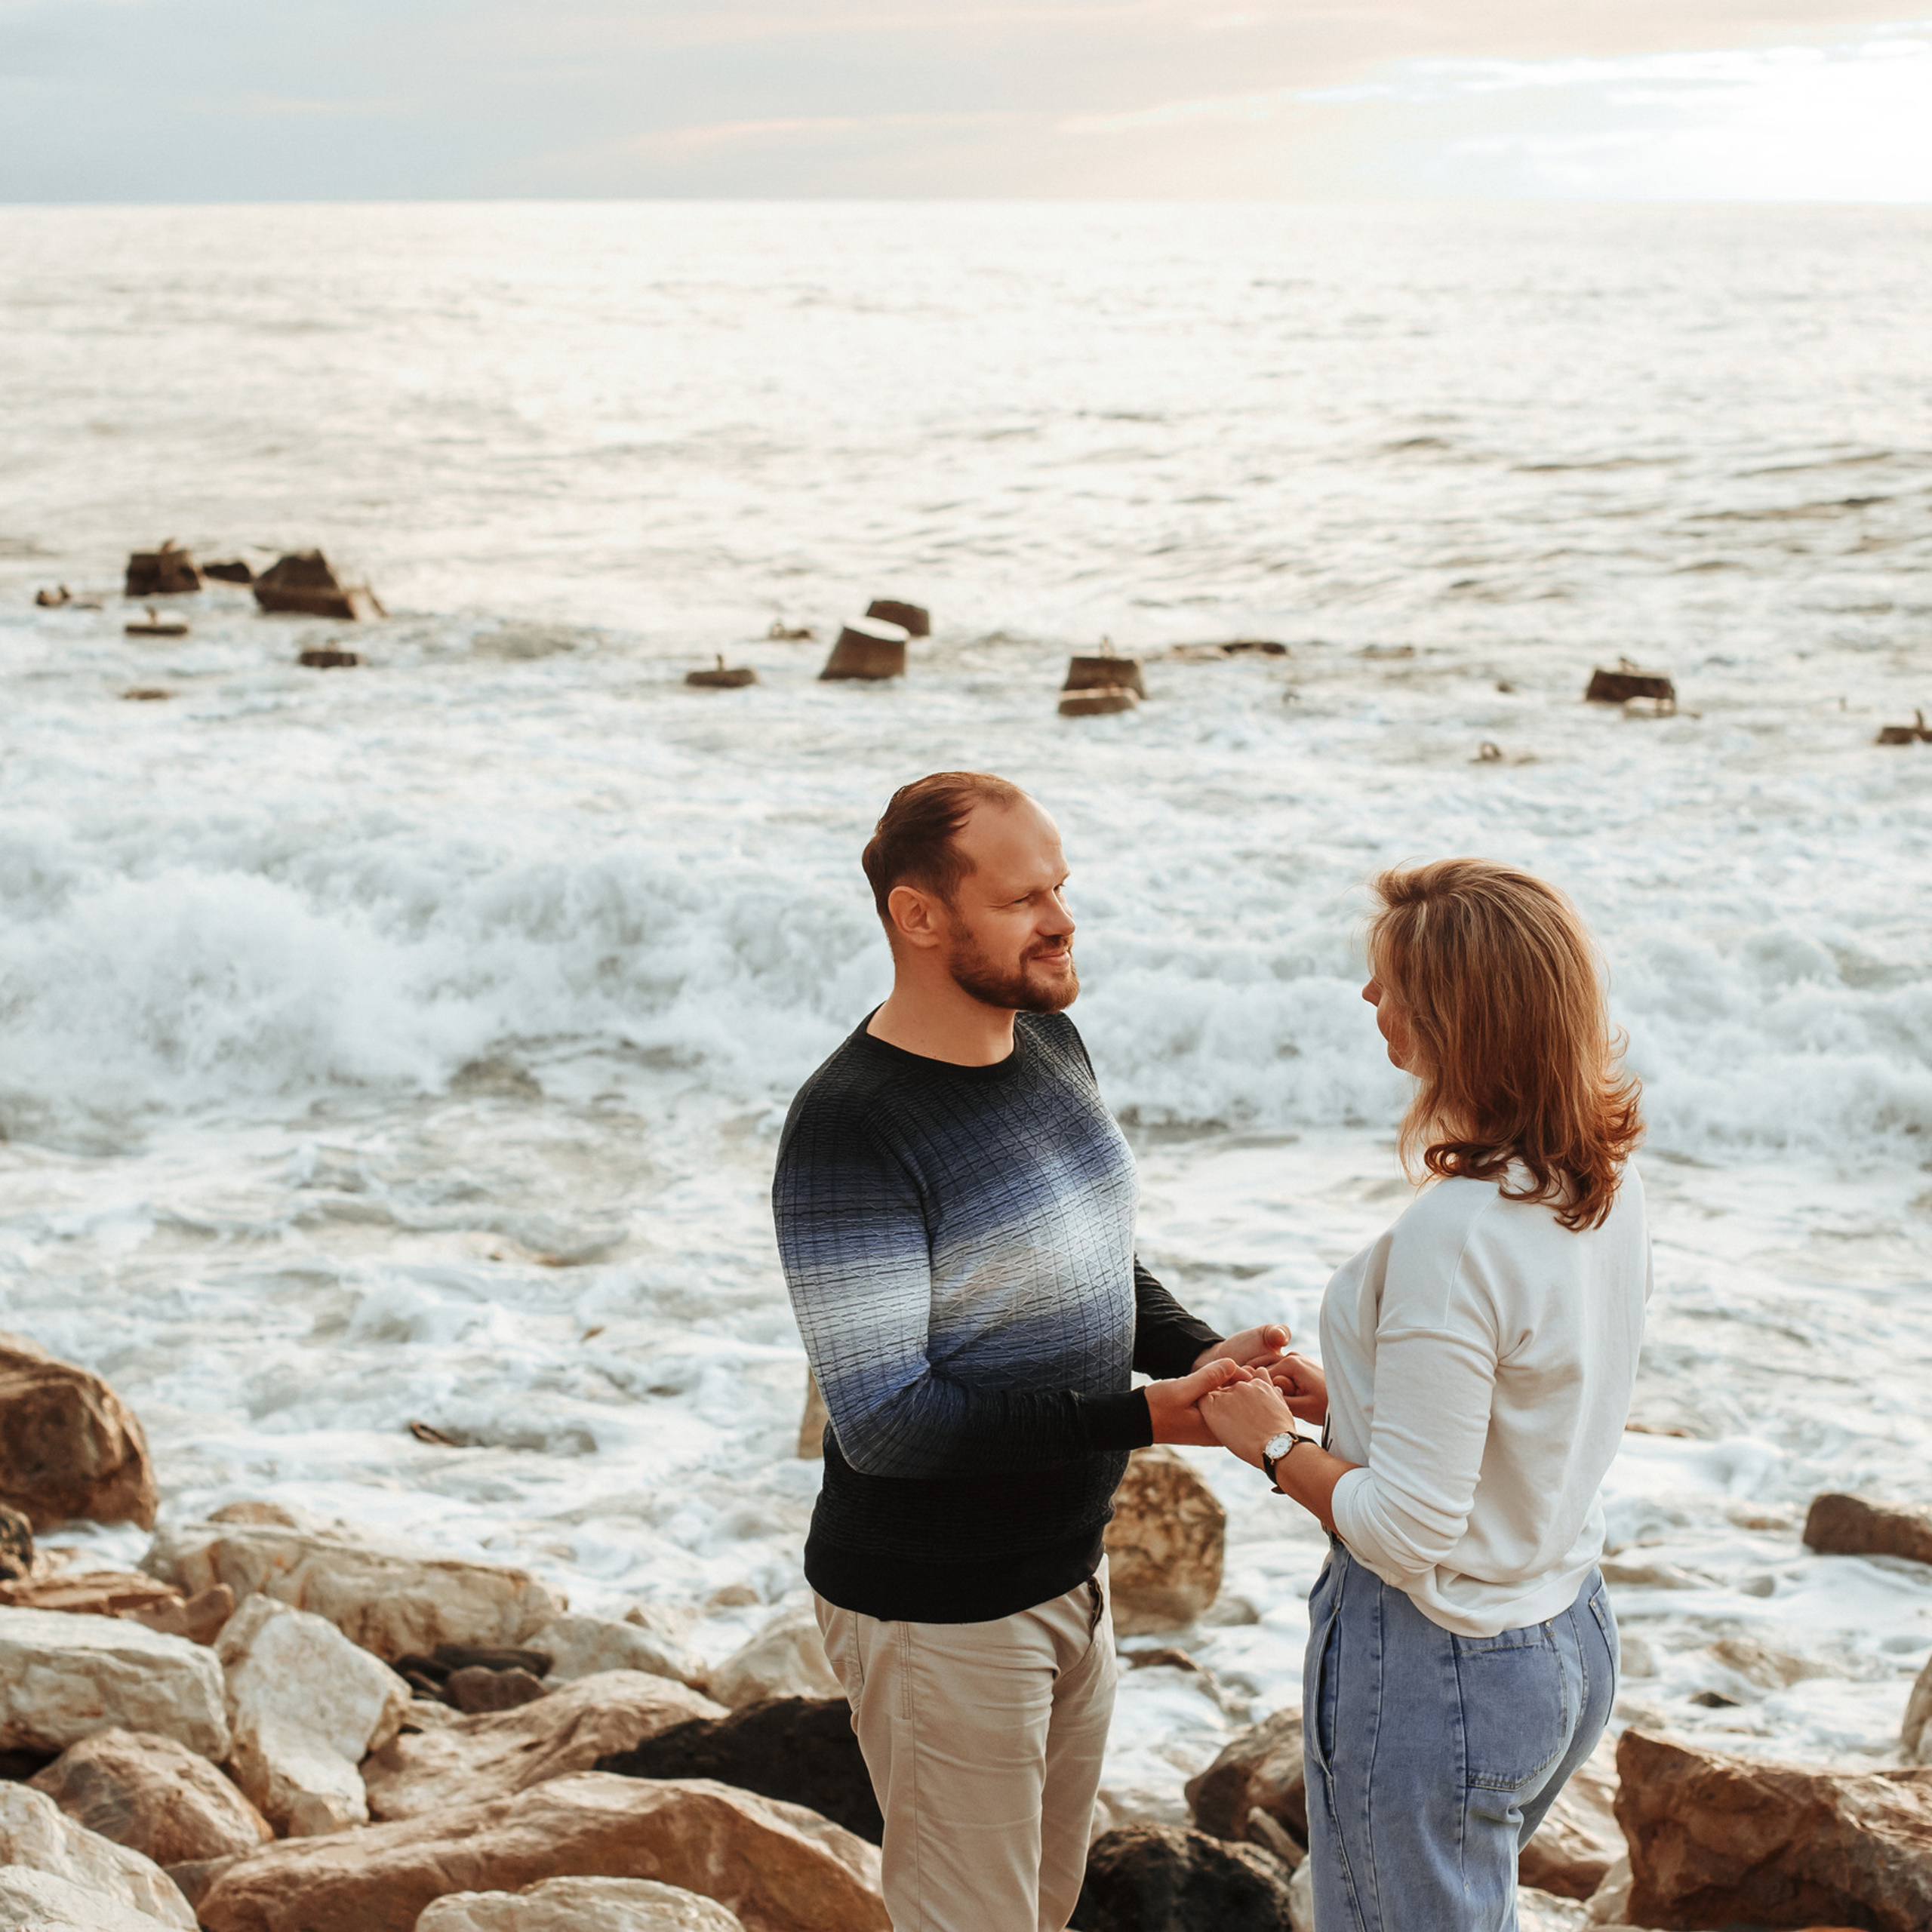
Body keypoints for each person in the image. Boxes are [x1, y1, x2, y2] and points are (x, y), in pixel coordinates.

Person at [773, 771, 1292, 1932]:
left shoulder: (1052, 1041)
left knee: (1041, 1914)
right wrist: (1155, 1417)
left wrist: (1212, 1359)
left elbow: (1097, 1260)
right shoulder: (852, 1126)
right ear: (921, 917)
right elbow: (891, 1424)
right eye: (1024, 900)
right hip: (938, 1608)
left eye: (1060, 887)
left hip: (1070, 1569)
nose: (1061, 919)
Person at [1201, 858, 1647, 1932]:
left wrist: (1268, 1449)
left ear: (1457, 1015)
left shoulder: (1456, 1232)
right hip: (1563, 1640)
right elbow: (1530, 1399)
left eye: (1389, 983)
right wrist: (1341, 1402)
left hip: (1437, 1664)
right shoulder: (1592, 1179)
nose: (1369, 1002)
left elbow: (1408, 1530)